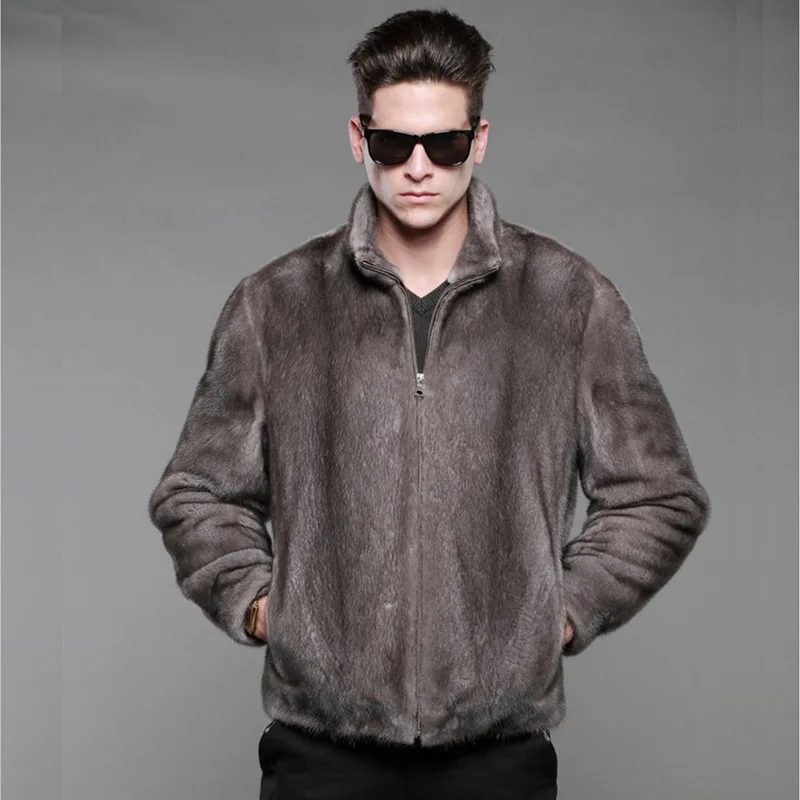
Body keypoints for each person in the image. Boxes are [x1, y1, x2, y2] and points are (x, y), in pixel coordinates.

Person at [147, 8, 711, 799]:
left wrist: (560, 612)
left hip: (497, 757)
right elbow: (197, 492)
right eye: (394, 144)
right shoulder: (277, 305)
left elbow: (659, 494)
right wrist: (269, 608)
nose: (419, 167)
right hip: (321, 754)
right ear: (359, 139)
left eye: (444, 145)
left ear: (478, 141)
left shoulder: (567, 300)